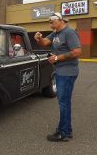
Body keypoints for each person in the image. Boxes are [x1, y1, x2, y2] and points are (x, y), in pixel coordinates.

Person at [34, 12, 81, 142]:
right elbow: (44, 43)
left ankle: (64, 133)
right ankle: (66, 129)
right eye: (48, 21)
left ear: (60, 20)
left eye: (52, 21)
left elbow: (77, 51)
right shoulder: (55, 33)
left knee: (64, 103)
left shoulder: (69, 33)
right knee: (63, 102)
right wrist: (38, 38)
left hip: (68, 72)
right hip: (60, 71)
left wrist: (57, 57)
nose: (50, 24)